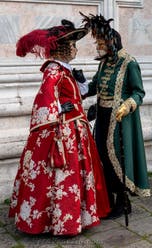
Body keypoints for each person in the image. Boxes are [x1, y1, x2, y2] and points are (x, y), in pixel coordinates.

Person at [9, 19, 110, 236]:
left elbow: (73, 94)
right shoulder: (54, 70)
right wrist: (58, 116)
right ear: (63, 48)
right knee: (60, 173)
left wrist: (80, 98)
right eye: (73, 45)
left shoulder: (65, 71)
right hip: (61, 130)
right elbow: (45, 98)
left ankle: (70, 217)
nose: (75, 48)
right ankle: (54, 219)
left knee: (74, 173)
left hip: (74, 126)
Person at [80, 13, 151, 219]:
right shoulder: (104, 63)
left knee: (118, 159)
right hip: (103, 117)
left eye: (101, 42)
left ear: (112, 42)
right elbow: (94, 86)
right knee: (102, 156)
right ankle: (108, 200)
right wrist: (80, 82)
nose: (98, 46)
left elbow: (139, 92)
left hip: (121, 120)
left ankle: (123, 201)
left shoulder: (129, 63)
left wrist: (127, 105)